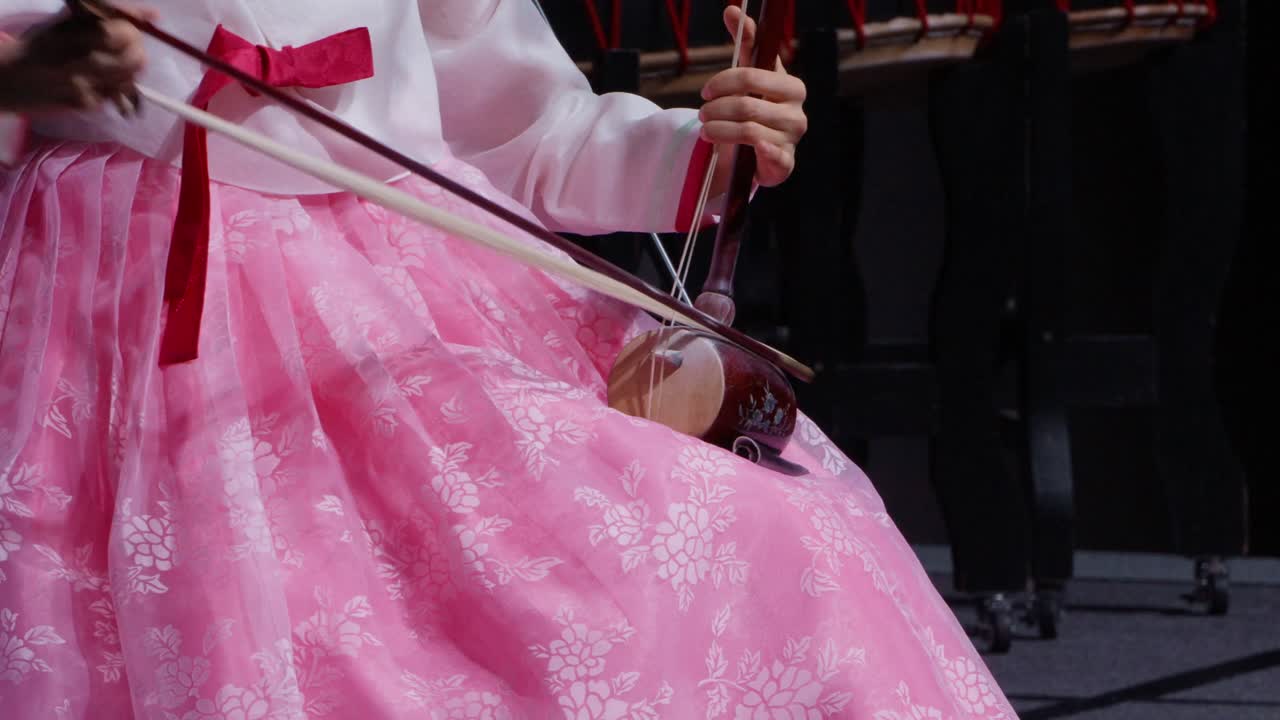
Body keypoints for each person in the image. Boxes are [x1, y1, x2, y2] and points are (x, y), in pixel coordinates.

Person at [0, 2, 1017, 718]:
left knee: (764, 528)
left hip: (394, 282)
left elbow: (525, 124)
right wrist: (19, 69)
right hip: (118, 301)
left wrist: (700, 156)